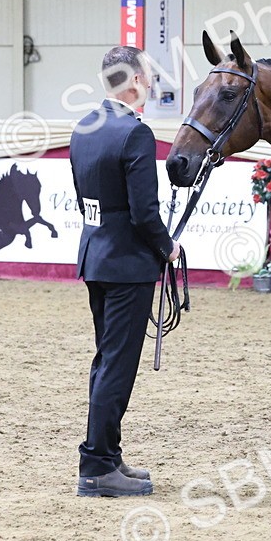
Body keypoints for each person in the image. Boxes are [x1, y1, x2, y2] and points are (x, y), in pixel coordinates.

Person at [70, 46, 181, 497]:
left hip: (96, 254)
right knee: (117, 364)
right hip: (126, 264)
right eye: (149, 75)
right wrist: (166, 246)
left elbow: (84, 195)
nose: (153, 83)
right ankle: (96, 466)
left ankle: (108, 455)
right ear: (134, 80)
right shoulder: (136, 134)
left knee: (106, 359)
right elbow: (144, 211)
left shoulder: (84, 126)